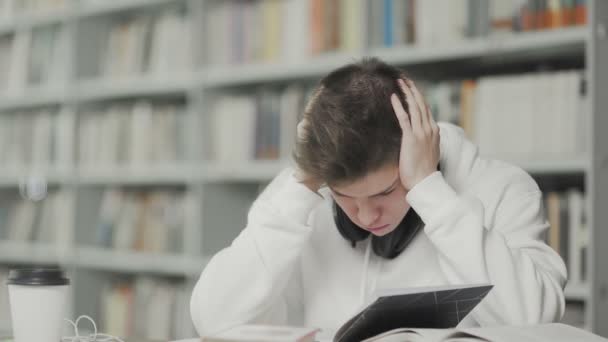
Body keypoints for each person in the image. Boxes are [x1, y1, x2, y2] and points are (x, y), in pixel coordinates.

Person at [190, 58, 567, 337]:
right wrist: (299, 190)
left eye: (385, 192)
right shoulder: (305, 196)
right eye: (345, 198)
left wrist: (431, 193)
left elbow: (535, 321)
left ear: (422, 147)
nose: (366, 216)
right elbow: (212, 316)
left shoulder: (503, 189)